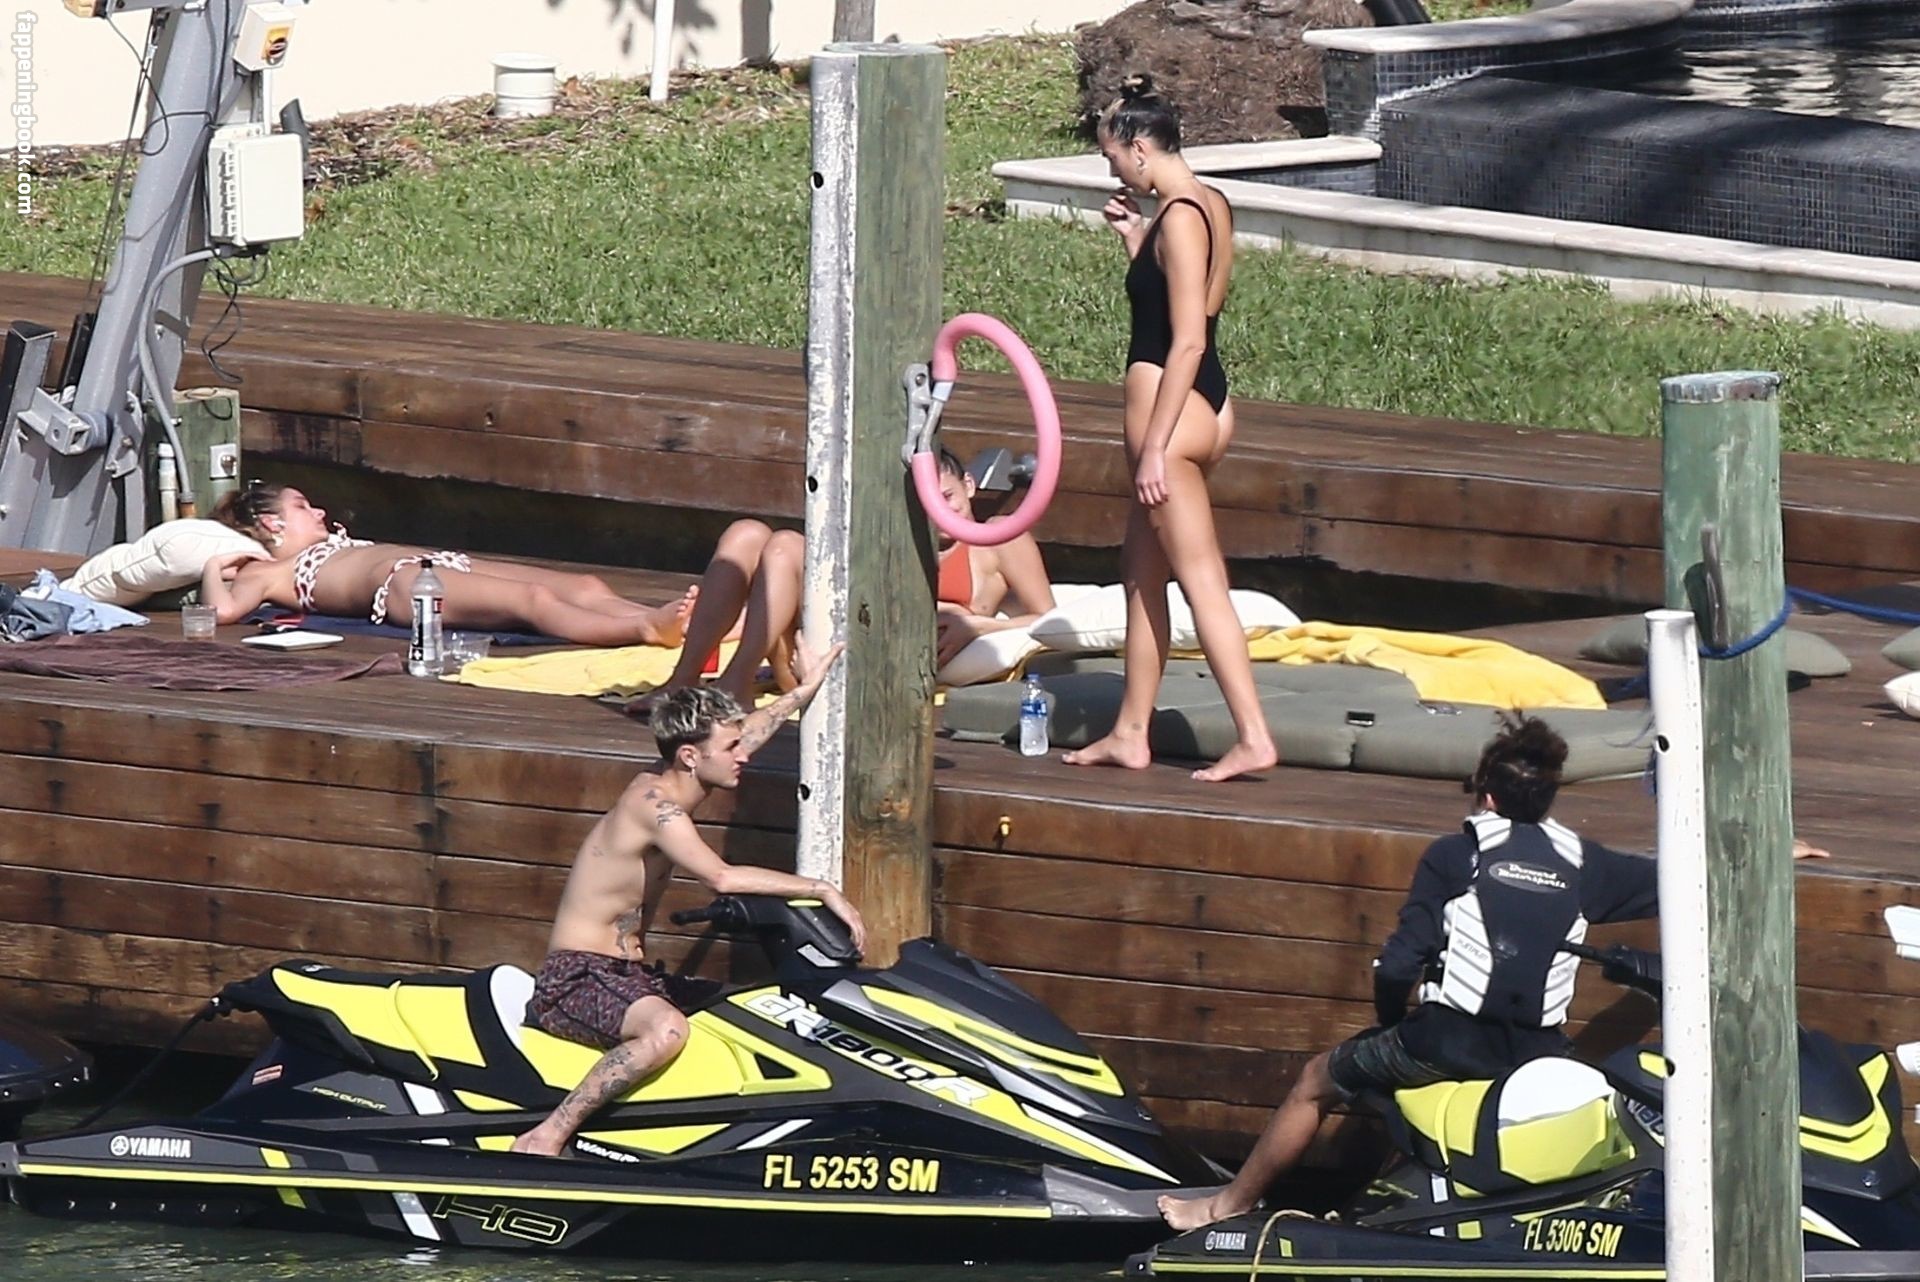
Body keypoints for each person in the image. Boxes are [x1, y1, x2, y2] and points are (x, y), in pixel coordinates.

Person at [1158, 713, 1831, 1230]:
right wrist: (1772, 849)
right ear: (1546, 800)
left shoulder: (1456, 856)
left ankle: (1226, 1205)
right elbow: (1682, 874)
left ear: (1485, 797)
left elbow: (1399, 964)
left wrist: (1393, 1023)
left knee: (1315, 1083)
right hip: (1537, 1055)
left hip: (1447, 1042)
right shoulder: (1585, 864)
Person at [512, 636, 863, 1157]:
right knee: (667, 1031)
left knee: (752, 1011)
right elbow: (721, 877)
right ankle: (548, 1134)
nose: (744, 755)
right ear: (691, 756)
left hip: (630, 974)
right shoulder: (655, 807)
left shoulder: (680, 777)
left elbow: (750, 731)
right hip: (576, 977)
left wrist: (803, 690)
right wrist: (821, 888)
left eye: (739, 744)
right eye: (731, 749)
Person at [1064, 75, 1277, 784]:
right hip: (1203, 408)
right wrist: (1136, 240)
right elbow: (1182, 303)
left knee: (1201, 581)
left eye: (1113, 158)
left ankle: (1253, 735)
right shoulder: (1208, 205)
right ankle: (1131, 730)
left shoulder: (1181, 217)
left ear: (1140, 147)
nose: (1115, 172)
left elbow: (1188, 339)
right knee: (1141, 573)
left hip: (1173, 418)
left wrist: (1154, 447)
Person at [656, 448, 1056, 703]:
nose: (940, 512)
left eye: (947, 496)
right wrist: (722, 627)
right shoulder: (896, 538)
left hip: (869, 675)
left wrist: (978, 626)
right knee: (748, 535)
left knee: (785, 543)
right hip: (826, 648)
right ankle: (684, 679)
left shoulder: (999, 539)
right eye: (926, 504)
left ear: (969, 485)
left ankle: (735, 683)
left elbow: (1049, 620)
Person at [200, 482, 694, 647]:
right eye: (302, 506)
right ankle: (645, 628)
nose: (319, 511)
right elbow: (223, 613)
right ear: (271, 523)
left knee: (584, 585)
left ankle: (683, 623)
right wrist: (212, 569)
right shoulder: (265, 570)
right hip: (400, 587)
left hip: (435, 564)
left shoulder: (328, 543)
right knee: (532, 600)